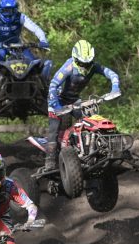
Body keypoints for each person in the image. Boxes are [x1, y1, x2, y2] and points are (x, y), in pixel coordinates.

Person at [42, 40, 121, 174]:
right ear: (75, 59)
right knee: (54, 129)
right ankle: (50, 161)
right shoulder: (68, 67)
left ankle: (96, 151)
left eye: (88, 63)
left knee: (91, 122)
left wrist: (115, 88)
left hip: (75, 100)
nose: (85, 67)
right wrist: (56, 105)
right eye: (82, 63)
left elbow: (112, 74)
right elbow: (53, 85)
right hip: (57, 100)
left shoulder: (94, 66)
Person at [0, 0, 50, 87]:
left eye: (11, 10)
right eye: (5, 10)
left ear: (16, 9)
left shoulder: (21, 17)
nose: (8, 14)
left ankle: (44, 89)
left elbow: (35, 28)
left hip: (16, 46)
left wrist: (43, 40)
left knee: (33, 64)